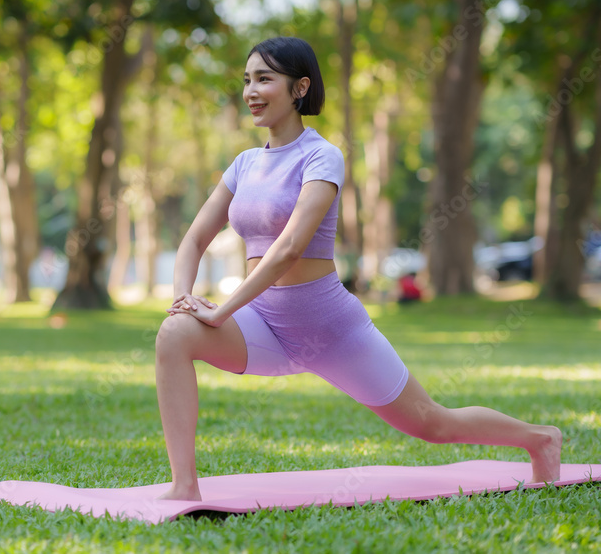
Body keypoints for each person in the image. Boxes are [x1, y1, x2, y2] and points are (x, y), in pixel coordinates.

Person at [154, 37, 562, 502]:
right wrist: (184, 300)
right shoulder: (244, 165)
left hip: (331, 328)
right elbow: (193, 239)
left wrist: (220, 309)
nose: (251, 90)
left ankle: (539, 438)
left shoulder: (321, 156)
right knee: (174, 333)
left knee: (431, 423)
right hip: (263, 326)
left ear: (299, 87)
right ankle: (184, 485)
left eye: (264, 78)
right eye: (247, 79)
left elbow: (289, 247)